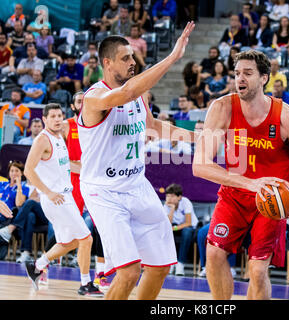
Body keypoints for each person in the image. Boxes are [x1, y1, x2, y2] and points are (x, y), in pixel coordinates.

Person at [77, 23, 196, 300]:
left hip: (136, 185)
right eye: (126, 58)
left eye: (133, 57)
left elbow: (154, 127)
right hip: (103, 191)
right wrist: (172, 57)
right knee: (129, 272)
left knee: (160, 266)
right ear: (107, 63)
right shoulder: (94, 98)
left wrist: (200, 138)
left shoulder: (138, 95)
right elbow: (125, 93)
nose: (133, 62)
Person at [192, 49, 289, 300]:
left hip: (271, 199)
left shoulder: (287, 116)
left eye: (248, 73)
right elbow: (200, 165)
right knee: (214, 255)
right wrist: (251, 184)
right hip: (235, 195)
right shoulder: (222, 107)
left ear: (264, 78)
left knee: (257, 271)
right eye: (237, 73)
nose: (240, 79)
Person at [23, 103, 102, 296]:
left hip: (65, 196)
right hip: (56, 199)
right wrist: (48, 192)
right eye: (53, 116)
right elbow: (28, 170)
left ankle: (37, 266)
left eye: (60, 115)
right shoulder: (42, 140)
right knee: (86, 238)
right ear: (45, 119)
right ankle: (85, 284)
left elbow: (66, 165)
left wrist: (88, 173)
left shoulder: (59, 136)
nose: (58, 119)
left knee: (71, 242)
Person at [61, 91, 110, 288]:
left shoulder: (99, 124)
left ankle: (100, 274)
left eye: (85, 101)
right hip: (74, 180)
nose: (82, 104)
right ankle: (43, 264)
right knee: (68, 229)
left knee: (101, 228)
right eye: (79, 101)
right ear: (73, 106)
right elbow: (61, 160)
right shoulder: (67, 125)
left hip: (96, 180)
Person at [163, 183, 198, 276]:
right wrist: (172, 209)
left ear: (179, 197)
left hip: (189, 227)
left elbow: (188, 222)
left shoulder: (186, 202)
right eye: (167, 196)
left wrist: (173, 228)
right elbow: (167, 224)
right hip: (175, 226)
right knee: (165, 232)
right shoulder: (167, 205)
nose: (169, 198)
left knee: (186, 232)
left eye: (172, 196)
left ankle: (180, 264)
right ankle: (170, 262)